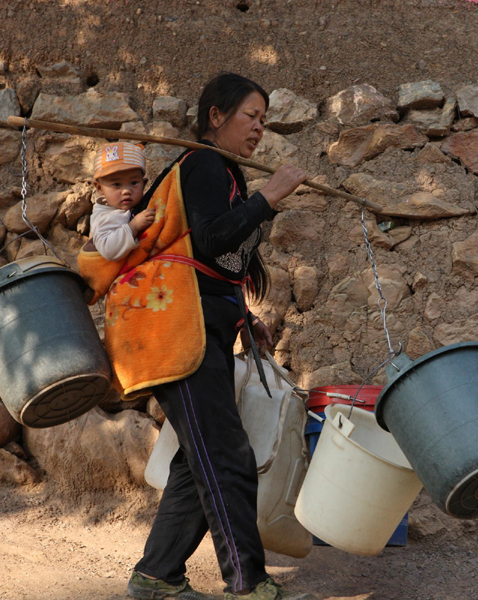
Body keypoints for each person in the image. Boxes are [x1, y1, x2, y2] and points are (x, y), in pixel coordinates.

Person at [126, 73, 314, 600]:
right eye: (250, 116)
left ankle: (156, 575)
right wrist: (270, 197)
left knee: (200, 458)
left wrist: (242, 317)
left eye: (263, 120)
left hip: (195, 329)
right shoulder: (204, 162)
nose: (258, 128)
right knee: (227, 454)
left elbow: (209, 265)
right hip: (175, 336)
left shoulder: (224, 174)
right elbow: (209, 241)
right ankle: (248, 583)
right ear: (215, 116)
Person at [88, 142, 157, 262]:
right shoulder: (104, 217)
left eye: (134, 183)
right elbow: (108, 250)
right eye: (116, 184)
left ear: (144, 184)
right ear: (99, 188)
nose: (126, 191)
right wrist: (133, 226)